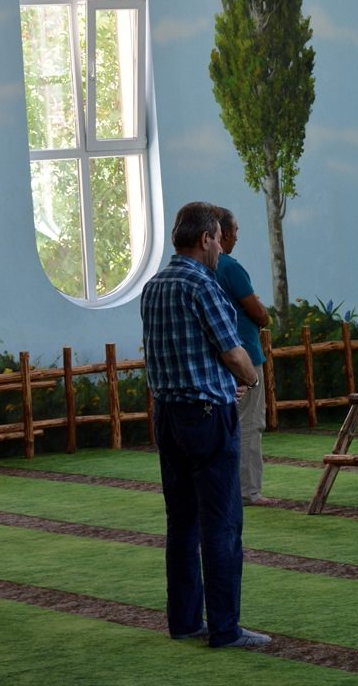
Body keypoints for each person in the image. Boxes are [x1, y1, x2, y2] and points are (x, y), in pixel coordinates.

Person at [141, 202, 272, 650]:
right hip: (207, 417)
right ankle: (225, 628)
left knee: (181, 523)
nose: (220, 247)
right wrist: (250, 379)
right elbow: (233, 353)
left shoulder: (154, 286)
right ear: (205, 239)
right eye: (218, 238)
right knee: (222, 524)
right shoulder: (203, 285)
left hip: (168, 415)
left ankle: (183, 621)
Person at [216, 208, 271, 505]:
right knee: (250, 422)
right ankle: (248, 490)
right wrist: (265, 315)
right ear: (223, 233)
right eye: (235, 230)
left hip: (218, 356)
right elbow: (257, 312)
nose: (237, 236)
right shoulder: (230, 268)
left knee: (226, 423)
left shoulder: (203, 269)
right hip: (245, 355)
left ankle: (227, 488)